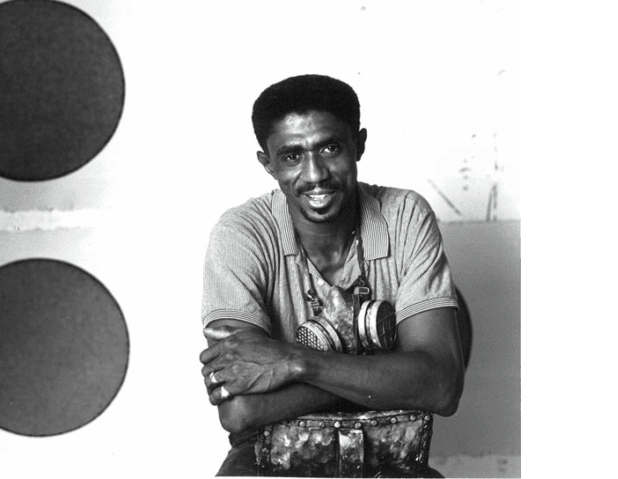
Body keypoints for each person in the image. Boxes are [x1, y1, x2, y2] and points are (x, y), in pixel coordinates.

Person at [199, 74, 464, 476]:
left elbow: (441, 386)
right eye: (291, 156)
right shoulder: (241, 233)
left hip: (388, 451)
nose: (315, 173)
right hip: (269, 454)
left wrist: (293, 362)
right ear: (267, 163)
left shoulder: (405, 215)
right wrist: (383, 373)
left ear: (358, 144)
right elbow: (241, 410)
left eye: (330, 147)